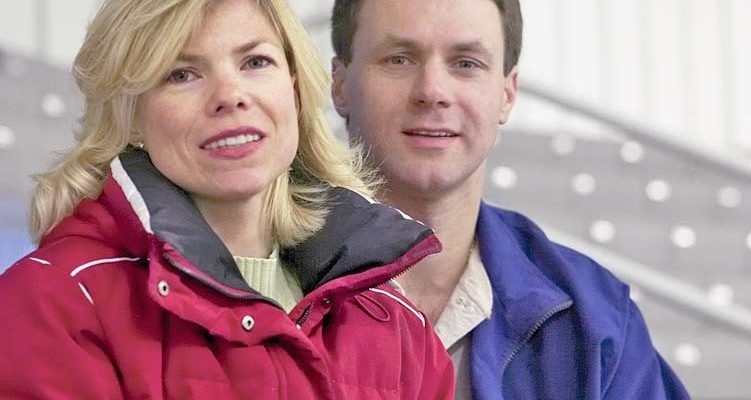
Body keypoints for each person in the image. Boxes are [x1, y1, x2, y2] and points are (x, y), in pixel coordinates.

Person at [0, 0, 455, 398]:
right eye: (182, 74)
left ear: (295, 89)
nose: (231, 96)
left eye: (255, 62)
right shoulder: (55, 303)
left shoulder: (395, 321)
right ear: (131, 116)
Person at [330, 0, 690, 398]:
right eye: (399, 59)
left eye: (465, 63)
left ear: (507, 93)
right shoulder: (277, 287)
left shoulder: (598, 323)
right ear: (339, 85)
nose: (432, 91)